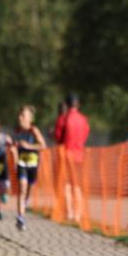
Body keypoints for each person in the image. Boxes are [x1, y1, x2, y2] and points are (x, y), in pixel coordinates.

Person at [56, 94, 90, 223]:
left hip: (66, 154)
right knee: (77, 184)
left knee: (67, 184)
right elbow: (86, 133)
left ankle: (70, 212)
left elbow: (58, 137)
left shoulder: (63, 119)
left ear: (66, 104)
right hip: (80, 155)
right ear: (78, 104)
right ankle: (78, 213)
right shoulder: (83, 119)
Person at [13, 105, 47, 230]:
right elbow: (15, 146)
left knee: (28, 191)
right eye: (20, 114)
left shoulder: (33, 130)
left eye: (23, 115)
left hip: (32, 164)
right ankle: (20, 217)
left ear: (30, 119)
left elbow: (43, 145)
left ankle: (24, 205)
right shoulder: (17, 131)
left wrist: (28, 146)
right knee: (22, 187)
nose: (20, 117)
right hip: (22, 163)